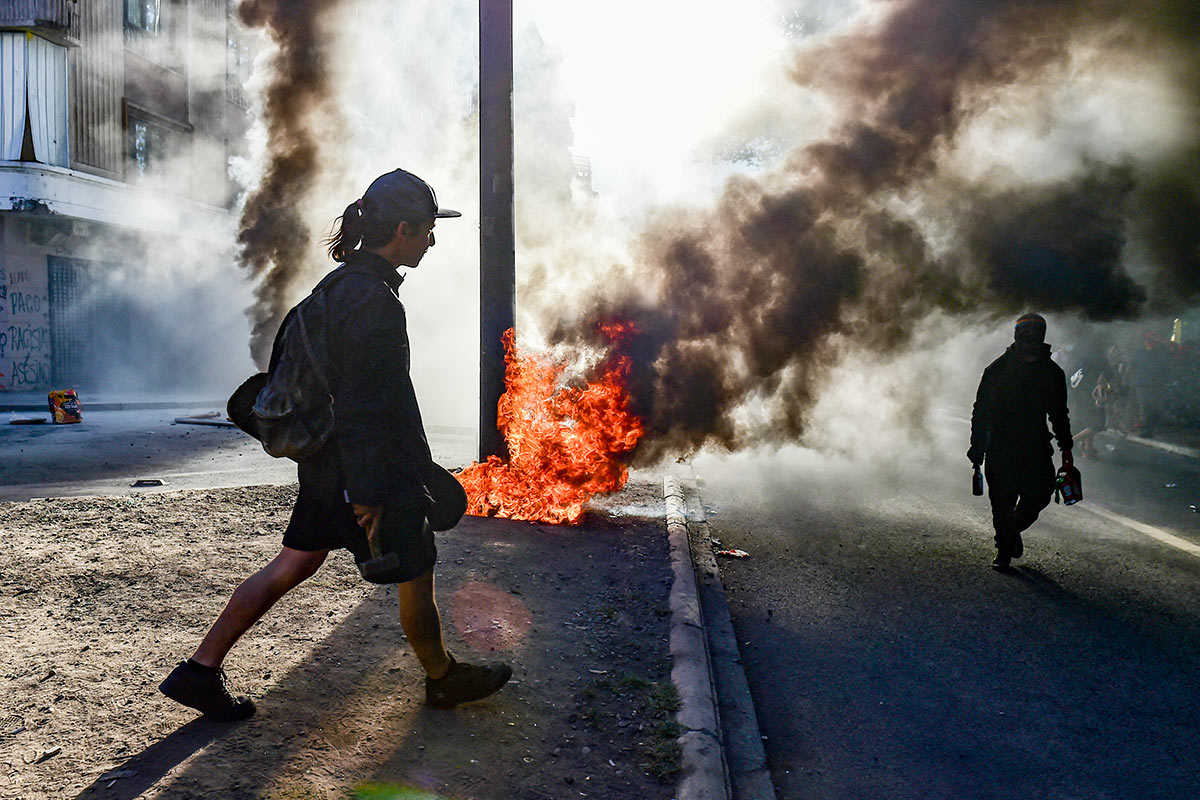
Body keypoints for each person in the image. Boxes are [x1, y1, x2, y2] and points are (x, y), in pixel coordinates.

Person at [159, 169, 512, 720]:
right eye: (425, 230)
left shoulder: (336, 288)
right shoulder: (373, 302)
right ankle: (442, 679)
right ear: (400, 229)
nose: (431, 240)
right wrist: (367, 492)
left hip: (328, 466)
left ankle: (199, 671)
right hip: (360, 471)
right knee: (417, 566)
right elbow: (367, 406)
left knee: (293, 563)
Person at [968, 313, 1074, 571]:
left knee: (1039, 496)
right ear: (1016, 336)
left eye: (1034, 335)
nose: (1029, 340)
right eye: (1024, 334)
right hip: (1001, 447)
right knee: (1001, 502)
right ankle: (1004, 551)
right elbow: (981, 411)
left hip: (1036, 447)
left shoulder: (1051, 373)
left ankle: (1010, 531)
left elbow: (1059, 414)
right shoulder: (997, 371)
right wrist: (977, 448)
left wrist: (1066, 447)